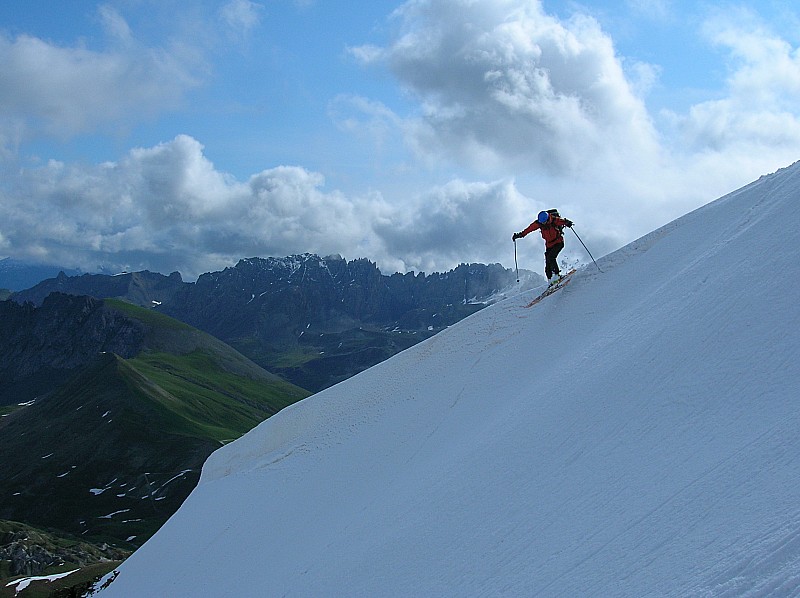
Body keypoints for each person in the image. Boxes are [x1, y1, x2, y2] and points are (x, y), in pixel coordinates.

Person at [512, 210, 574, 284]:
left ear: (547, 219)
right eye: (541, 222)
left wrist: (567, 223)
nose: (543, 224)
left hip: (558, 242)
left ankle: (557, 276)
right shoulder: (539, 223)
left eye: (544, 222)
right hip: (549, 245)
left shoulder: (554, 220)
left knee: (551, 257)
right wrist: (519, 235)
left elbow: (562, 221)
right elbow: (529, 229)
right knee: (548, 264)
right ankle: (551, 281)